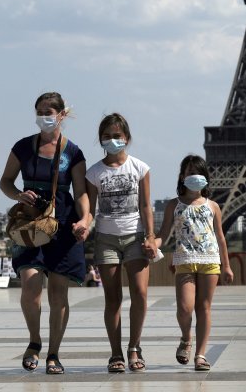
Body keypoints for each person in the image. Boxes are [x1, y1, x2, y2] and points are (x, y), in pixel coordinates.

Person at [0, 92, 92, 375]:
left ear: (62, 114)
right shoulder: (23, 147)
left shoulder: (73, 152)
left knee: (58, 292)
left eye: (49, 111)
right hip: (31, 223)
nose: (44, 117)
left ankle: (54, 353)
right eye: (39, 111)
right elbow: (5, 181)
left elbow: (81, 193)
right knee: (30, 285)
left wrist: (85, 219)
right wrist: (18, 194)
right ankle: (35, 341)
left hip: (63, 223)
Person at [85, 113, 156, 373]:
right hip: (105, 238)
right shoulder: (94, 172)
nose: (112, 140)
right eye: (107, 136)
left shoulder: (140, 168)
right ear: (100, 139)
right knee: (112, 298)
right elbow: (91, 209)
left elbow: (146, 205)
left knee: (140, 293)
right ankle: (115, 352)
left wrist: (150, 235)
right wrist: (84, 223)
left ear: (126, 137)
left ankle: (134, 347)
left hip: (135, 236)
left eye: (117, 136)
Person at [155, 155, 233, 372]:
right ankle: (186, 337)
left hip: (210, 260)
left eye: (198, 173)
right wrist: (154, 243)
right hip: (185, 260)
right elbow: (164, 233)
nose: (194, 177)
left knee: (204, 308)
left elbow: (220, 237)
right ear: (182, 176)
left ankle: (200, 354)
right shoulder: (174, 204)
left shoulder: (213, 206)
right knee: (184, 308)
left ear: (205, 177)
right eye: (190, 173)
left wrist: (226, 266)